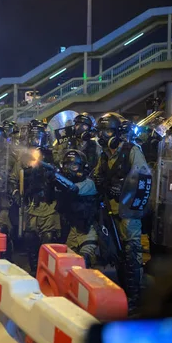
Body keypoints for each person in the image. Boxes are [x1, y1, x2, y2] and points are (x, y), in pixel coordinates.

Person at [92, 112, 150, 314]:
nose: (103, 135)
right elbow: (96, 176)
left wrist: (125, 188)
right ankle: (122, 294)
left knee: (131, 252)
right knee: (116, 254)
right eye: (101, 131)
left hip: (129, 212)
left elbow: (143, 178)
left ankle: (134, 299)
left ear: (117, 132)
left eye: (107, 131)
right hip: (110, 210)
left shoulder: (132, 151)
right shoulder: (104, 156)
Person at [10, 120, 60, 274]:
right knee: (30, 240)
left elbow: (61, 177)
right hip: (31, 206)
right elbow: (13, 179)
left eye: (38, 137)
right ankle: (34, 273)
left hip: (49, 206)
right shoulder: (23, 158)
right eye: (33, 136)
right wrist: (16, 192)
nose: (35, 140)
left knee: (48, 241)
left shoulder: (53, 156)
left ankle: (48, 276)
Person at [54, 150, 99, 267]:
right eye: (67, 165)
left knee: (84, 260)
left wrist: (56, 177)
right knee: (67, 263)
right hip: (74, 230)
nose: (69, 169)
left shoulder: (89, 183)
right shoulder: (65, 185)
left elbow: (73, 189)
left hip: (88, 230)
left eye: (74, 166)